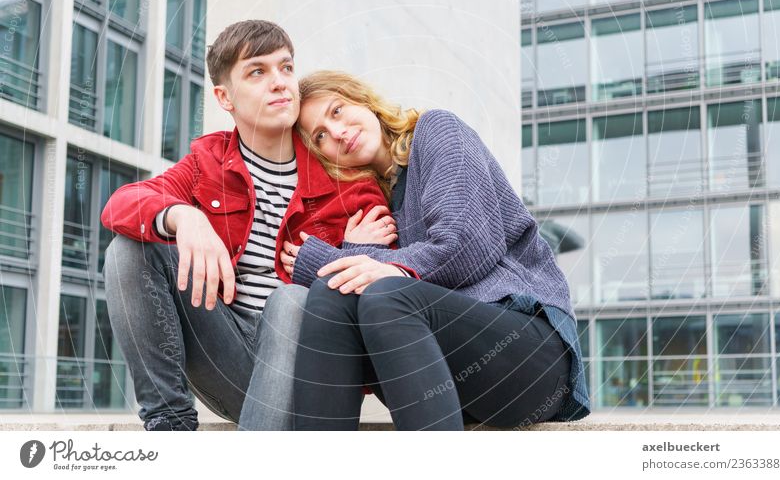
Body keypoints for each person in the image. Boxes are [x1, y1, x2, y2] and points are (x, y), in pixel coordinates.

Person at [100, 22, 392, 431]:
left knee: (290, 301)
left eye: (286, 68)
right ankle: (169, 426)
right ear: (225, 97)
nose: (280, 83)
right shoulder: (209, 163)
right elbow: (121, 205)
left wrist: (350, 255)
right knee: (128, 251)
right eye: (258, 72)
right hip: (231, 358)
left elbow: (388, 284)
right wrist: (185, 216)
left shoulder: (344, 177)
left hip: (312, 375)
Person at [281, 71, 591, 430]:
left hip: (527, 353)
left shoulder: (436, 130)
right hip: (453, 380)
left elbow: (464, 247)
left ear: (363, 101)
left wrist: (332, 260)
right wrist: (354, 253)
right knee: (331, 294)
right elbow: (388, 281)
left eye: (337, 111)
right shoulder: (372, 207)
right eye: (319, 136)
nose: (337, 132)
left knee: (383, 296)